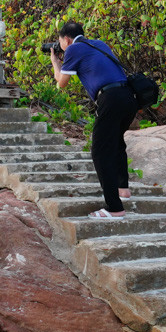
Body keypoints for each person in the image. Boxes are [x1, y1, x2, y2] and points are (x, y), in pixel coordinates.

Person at [50, 21, 137, 219]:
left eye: (60, 42)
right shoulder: (100, 44)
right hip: (129, 97)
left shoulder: (73, 49)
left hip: (110, 98)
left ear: (67, 39)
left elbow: (61, 83)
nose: (61, 46)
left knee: (99, 152)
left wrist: (56, 63)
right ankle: (123, 189)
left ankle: (114, 208)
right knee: (115, 142)